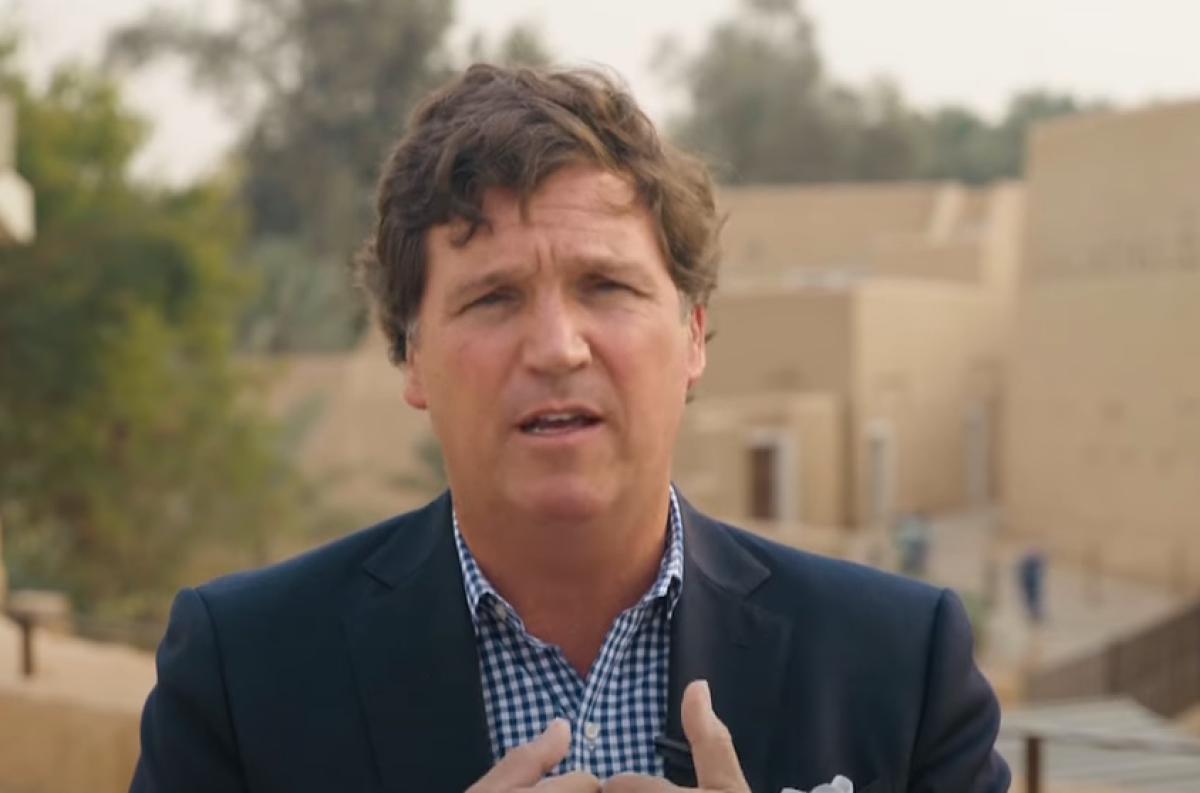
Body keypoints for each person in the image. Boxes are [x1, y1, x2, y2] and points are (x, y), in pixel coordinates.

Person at [128, 64, 1010, 793]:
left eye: (606, 286)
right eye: (493, 297)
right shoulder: (244, 672)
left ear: (693, 336)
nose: (556, 346)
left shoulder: (898, 663)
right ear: (411, 357)